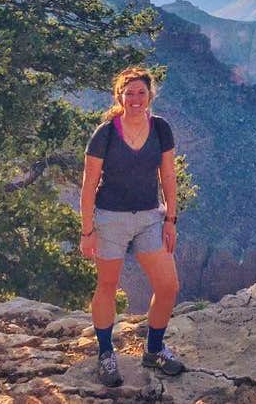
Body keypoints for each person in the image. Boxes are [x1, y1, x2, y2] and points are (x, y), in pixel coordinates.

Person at [79, 66, 183, 387]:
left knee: (168, 287)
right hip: (111, 218)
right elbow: (88, 185)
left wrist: (170, 220)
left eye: (141, 93)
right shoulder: (106, 133)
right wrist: (87, 231)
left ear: (150, 95)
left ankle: (153, 350)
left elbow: (167, 176)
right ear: (119, 97)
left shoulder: (161, 129)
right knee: (108, 286)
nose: (135, 99)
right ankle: (106, 353)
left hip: (151, 216)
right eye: (129, 93)